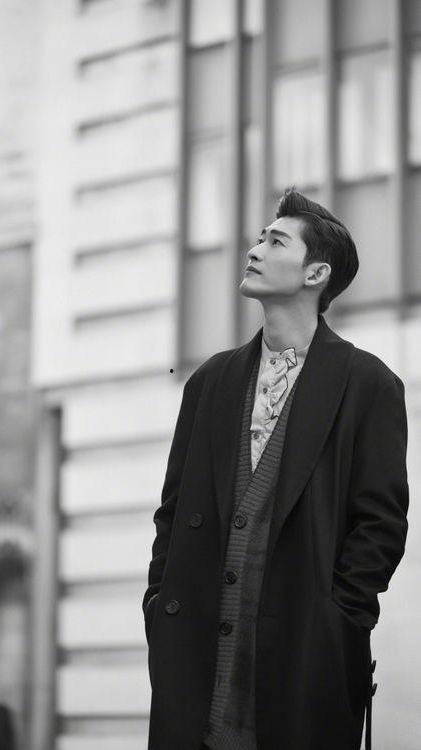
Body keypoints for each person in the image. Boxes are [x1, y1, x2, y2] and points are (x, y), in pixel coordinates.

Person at [142, 188, 409, 750]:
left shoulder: (369, 385)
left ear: (316, 273)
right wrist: (158, 601)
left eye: (276, 241)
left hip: (303, 661)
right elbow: (172, 511)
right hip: (196, 660)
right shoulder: (210, 381)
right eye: (260, 238)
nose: (255, 249)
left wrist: (340, 622)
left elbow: (381, 525)